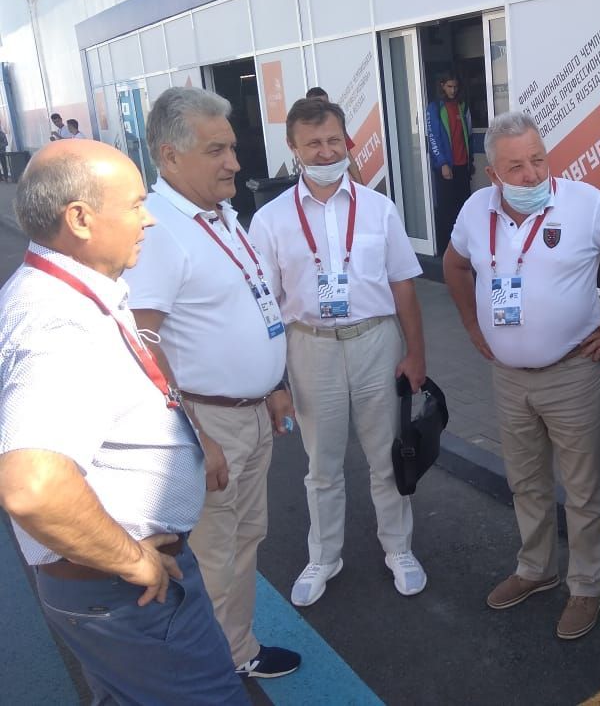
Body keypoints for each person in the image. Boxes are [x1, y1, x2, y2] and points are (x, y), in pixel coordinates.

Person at [0, 139, 249, 704]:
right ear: (80, 219)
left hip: (108, 592)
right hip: (126, 594)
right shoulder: (60, 324)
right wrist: (131, 558)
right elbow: (32, 485)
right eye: (136, 204)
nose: (148, 219)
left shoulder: (67, 292)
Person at [443, 111, 600, 640]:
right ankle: (536, 569)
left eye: (538, 159)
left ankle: (587, 586)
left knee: (582, 489)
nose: (532, 174)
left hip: (573, 373)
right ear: (493, 174)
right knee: (526, 482)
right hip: (508, 379)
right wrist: (472, 325)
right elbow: (454, 265)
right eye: (516, 167)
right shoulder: (475, 210)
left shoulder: (585, 204)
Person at [122, 86, 301, 679]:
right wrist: (195, 433)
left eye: (233, 148)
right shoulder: (161, 231)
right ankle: (213, 674)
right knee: (214, 555)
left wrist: (273, 383)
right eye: (217, 151)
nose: (235, 163)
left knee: (244, 540)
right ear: (170, 156)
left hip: (249, 412)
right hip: (211, 422)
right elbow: (141, 342)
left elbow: (248, 304)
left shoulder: (221, 216)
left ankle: (236, 651)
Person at [249, 97, 429, 606]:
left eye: (333, 141)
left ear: (346, 141)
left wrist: (416, 355)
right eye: (313, 144)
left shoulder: (378, 208)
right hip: (310, 348)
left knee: (388, 458)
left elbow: (404, 286)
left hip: (376, 342)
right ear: (293, 148)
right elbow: (265, 306)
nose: (326, 152)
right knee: (322, 466)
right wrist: (275, 380)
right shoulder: (269, 220)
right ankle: (324, 556)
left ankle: (399, 549)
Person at [426, 74, 473, 254]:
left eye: (455, 87)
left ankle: (463, 247)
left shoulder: (462, 106)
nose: (453, 90)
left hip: (463, 164)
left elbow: (468, 134)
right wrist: (442, 163)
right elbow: (433, 137)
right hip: (446, 166)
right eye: (449, 87)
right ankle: (446, 249)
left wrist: (470, 161)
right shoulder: (435, 108)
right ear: (442, 86)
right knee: (447, 208)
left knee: (463, 207)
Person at [305, 86, 364, 184]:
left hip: (340, 183)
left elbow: (349, 159)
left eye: (326, 104)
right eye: (318, 104)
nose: (323, 108)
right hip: (316, 185)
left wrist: (361, 187)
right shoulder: (303, 131)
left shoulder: (337, 128)